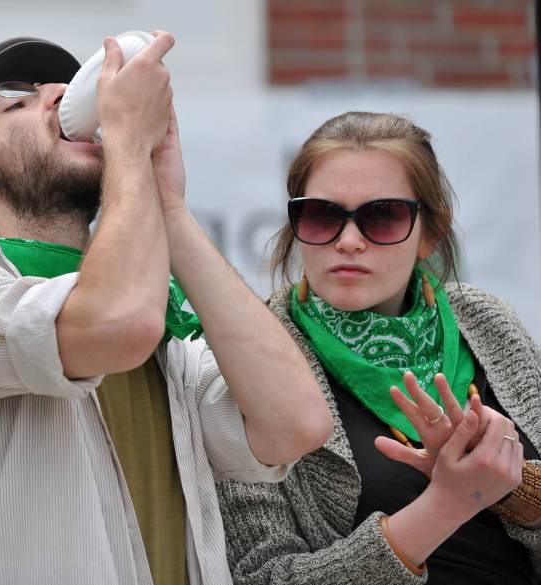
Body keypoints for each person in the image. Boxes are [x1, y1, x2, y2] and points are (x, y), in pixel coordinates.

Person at [0, 32, 333, 584]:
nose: (62, 98)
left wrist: (168, 206)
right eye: (16, 101)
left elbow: (298, 425)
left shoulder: (166, 339)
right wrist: (131, 150)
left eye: (64, 90)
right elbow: (117, 321)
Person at [216, 111, 541, 584]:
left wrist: (516, 492)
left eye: (383, 216)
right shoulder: (250, 350)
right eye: (323, 214)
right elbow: (263, 575)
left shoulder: (487, 322)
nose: (348, 241)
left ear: (431, 231)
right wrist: (447, 504)